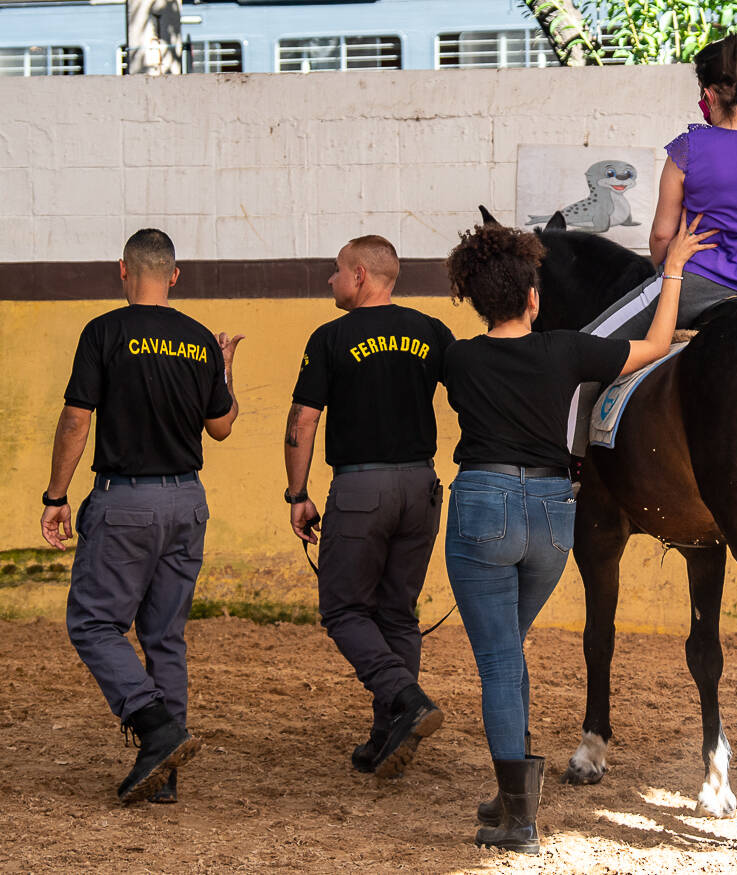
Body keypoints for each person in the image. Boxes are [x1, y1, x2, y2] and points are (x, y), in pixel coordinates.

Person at [442, 212, 715, 854]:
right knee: (509, 645)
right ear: (535, 298)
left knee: (501, 660)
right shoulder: (568, 350)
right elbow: (654, 345)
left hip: (485, 507)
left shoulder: (457, 356)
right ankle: (513, 793)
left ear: (477, 302)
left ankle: (519, 814)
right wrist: (670, 270)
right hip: (551, 516)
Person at [40, 228, 242, 804]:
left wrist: (57, 495)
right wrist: (223, 369)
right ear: (174, 276)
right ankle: (166, 775)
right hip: (186, 501)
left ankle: (156, 729)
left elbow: (77, 420)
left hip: (125, 502)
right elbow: (222, 426)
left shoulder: (103, 332)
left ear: (122, 270)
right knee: (165, 636)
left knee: (93, 624)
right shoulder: (200, 339)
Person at [284, 235, 455, 780]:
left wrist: (297, 493)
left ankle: (406, 698)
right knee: (398, 613)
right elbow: (473, 396)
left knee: (343, 610)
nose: (330, 281)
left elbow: (303, 421)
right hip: (421, 486)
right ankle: (388, 734)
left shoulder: (331, 337)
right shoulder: (431, 331)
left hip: (361, 489)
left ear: (360, 275)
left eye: (336, 271)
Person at [583, 32, 737, 343]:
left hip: (692, 283)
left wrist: (667, 266)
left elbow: (662, 235)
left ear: (709, 95)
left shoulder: (687, 149)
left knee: (587, 344)